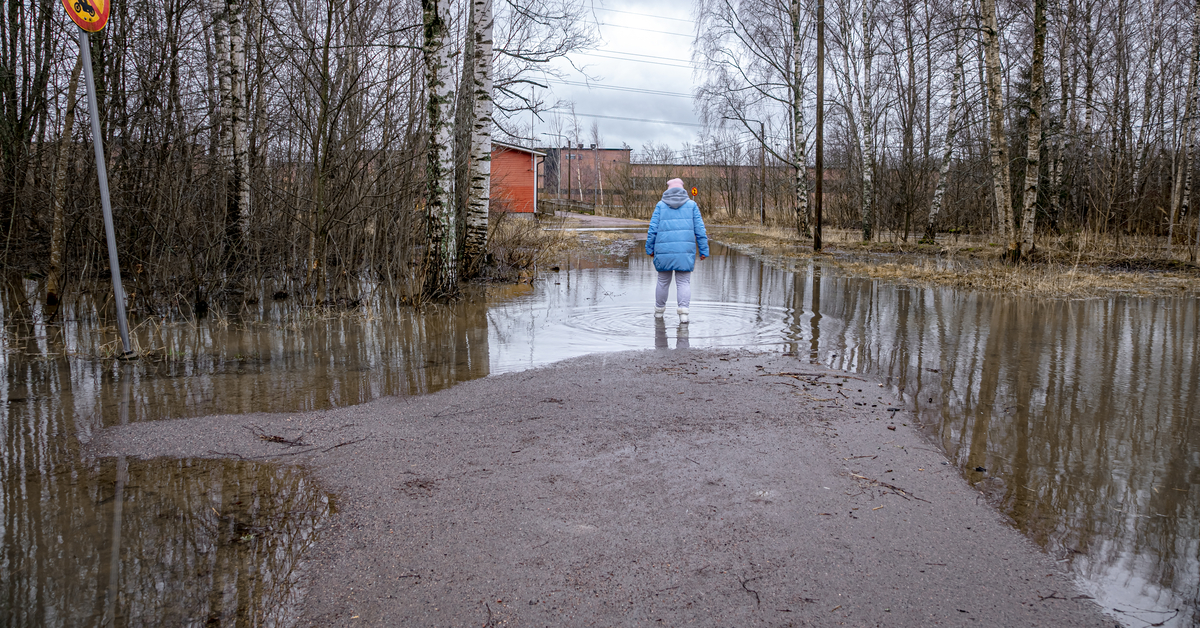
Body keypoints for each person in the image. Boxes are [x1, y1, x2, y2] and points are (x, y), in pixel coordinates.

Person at [645, 178, 708, 323]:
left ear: (667, 190)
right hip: (685, 251)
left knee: (662, 281)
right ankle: (684, 315)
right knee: (684, 282)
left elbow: (652, 230)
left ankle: (659, 313)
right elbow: (700, 230)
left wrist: (649, 248)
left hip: (664, 250)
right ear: (683, 189)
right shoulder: (692, 205)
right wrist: (704, 250)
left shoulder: (660, 206)